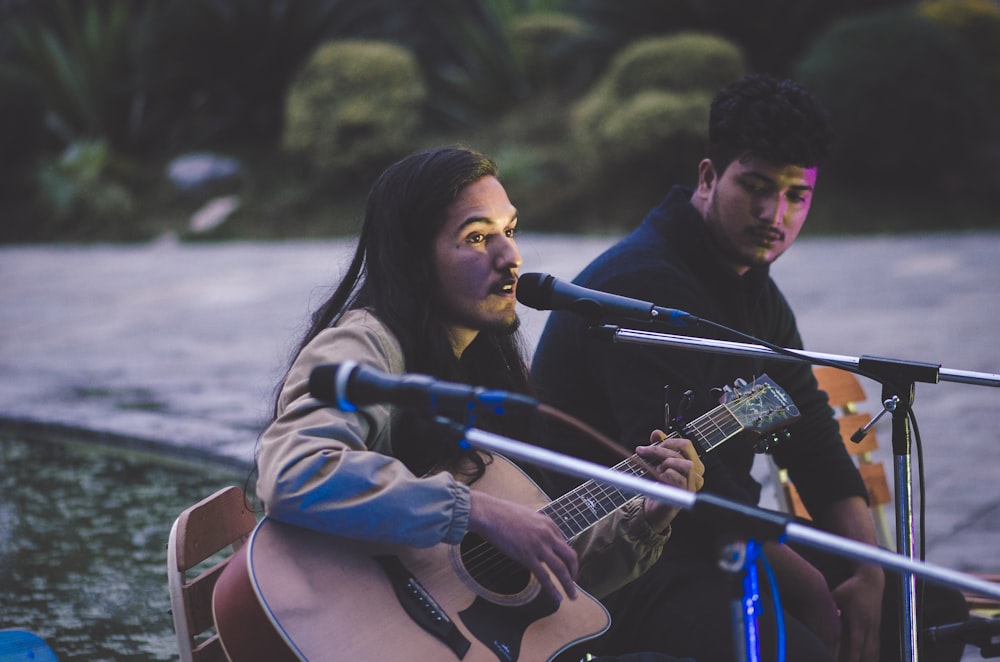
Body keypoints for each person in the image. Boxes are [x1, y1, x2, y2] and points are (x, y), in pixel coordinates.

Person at [529, 74, 968, 662]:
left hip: (718, 535)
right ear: (709, 177)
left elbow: (808, 430)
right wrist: (811, 587)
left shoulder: (751, 283)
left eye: (796, 195)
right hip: (621, 560)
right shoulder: (644, 283)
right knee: (799, 648)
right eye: (755, 187)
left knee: (927, 610)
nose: (773, 213)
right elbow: (677, 490)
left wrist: (868, 570)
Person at [253, 146, 704, 661]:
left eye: (509, 231)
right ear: (414, 257)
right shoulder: (367, 342)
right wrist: (475, 512)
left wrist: (646, 518)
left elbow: (541, 574)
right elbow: (294, 470)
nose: (510, 257)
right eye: (476, 237)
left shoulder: (482, 360)